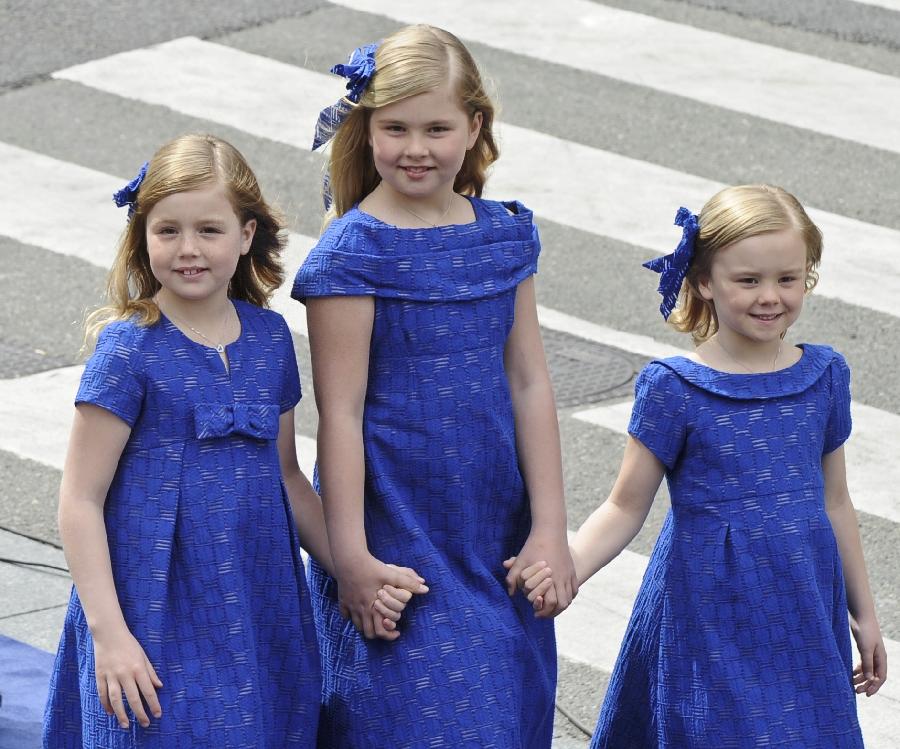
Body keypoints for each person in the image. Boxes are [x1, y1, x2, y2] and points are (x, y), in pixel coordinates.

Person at [42, 133, 422, 748]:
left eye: (209, 230)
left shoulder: (270, 340)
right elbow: (79, 500)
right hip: (150, 606)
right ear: (143, 236)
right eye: (167, 231)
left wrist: (351, 569)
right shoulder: (129, 349)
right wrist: (110, 636)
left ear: (247, 236)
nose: (188, 249)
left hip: (254, 598)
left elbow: (288, 478)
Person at [515, 185, 887, 747]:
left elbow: (835, 500)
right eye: (748, 280)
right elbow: (623, 506)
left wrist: (865, 612)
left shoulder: (825, 376)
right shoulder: (675, 387)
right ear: (704, 280)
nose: (770, 296)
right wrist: (567, 572)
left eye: (788, 279)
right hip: (709, 612)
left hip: (804, 608)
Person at [293, 25, 577, 748]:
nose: (415, 147)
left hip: (492, 528)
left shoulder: (505, 236)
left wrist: (549, 528)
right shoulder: (353, 254)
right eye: (395, 128)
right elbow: (342, 415)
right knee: (427, 718)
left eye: (437, 127)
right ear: (367, 127)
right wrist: (350, 558)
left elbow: (529, 381)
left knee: (508, 710)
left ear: (474, 125)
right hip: (396, 532)